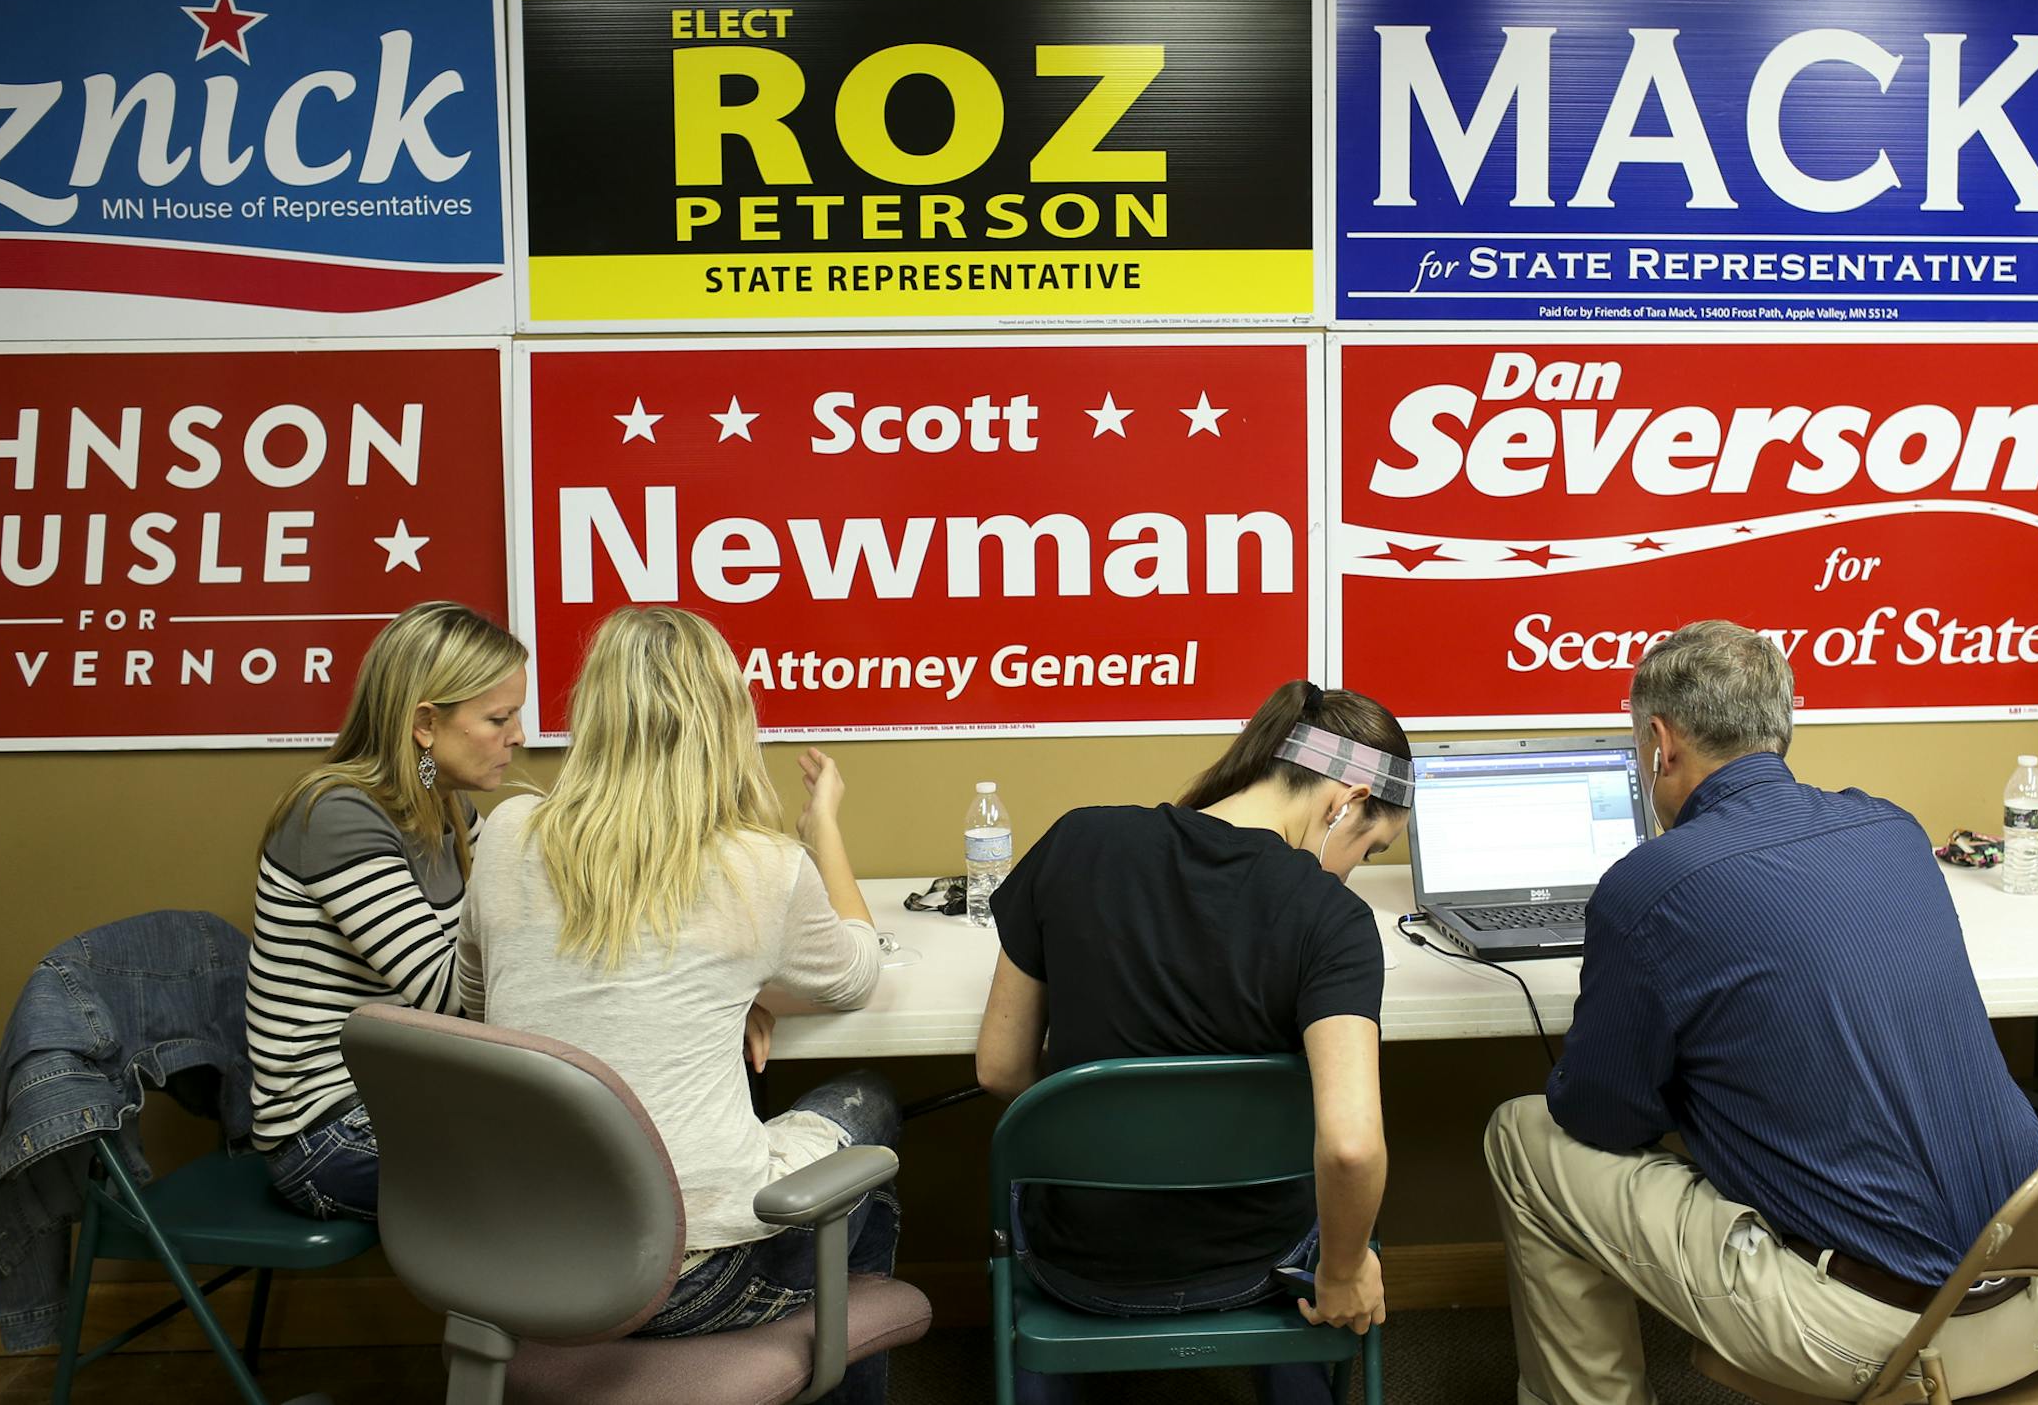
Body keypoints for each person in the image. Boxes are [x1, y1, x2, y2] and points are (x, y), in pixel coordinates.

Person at [1485, 619, 2038, 1405]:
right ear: (1783, 723)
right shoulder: (1894, 827)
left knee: (1524, 1135)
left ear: (1660, 743)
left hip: (1888, 1340)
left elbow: (1603, 1119)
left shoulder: (1652, 884)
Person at [459, 605, 896, 1400]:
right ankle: (835, 1363)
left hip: (523, 1261)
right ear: (725, 720)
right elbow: (855, 974)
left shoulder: (508, 832)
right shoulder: (760, 864)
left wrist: (727, 994)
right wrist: (821, 826)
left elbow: (482, 1003)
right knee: (871, 1107)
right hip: (690, 1279)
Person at [975, 680, 1405, 1405]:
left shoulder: (1078, 840)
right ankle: (1295, 1362)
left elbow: (999, 1067)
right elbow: (1352, 1146)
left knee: (1029, 1188)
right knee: (1333, 1230)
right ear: (1347, 801)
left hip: (1080, 1262)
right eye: (1369, 846)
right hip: (1254, 1262)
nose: (1352, 869)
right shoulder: (1331, 919)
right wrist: (1339, 1272)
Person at [246, 601, 528, 1220]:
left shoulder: (446, 808)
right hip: (324, 1134)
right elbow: (449, 998)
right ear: (426, 723)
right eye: (499, 718)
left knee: (608, 1149)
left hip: (408, 1098)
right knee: (573, 1177)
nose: (518, 737)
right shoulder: (338, 815)